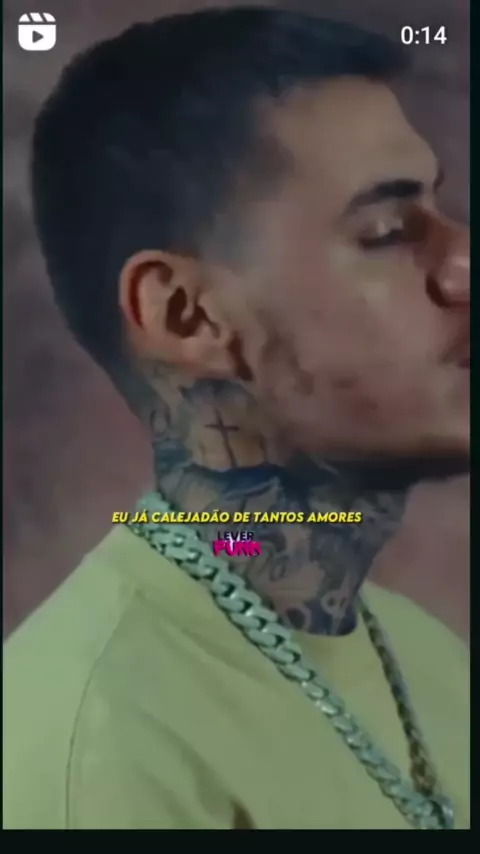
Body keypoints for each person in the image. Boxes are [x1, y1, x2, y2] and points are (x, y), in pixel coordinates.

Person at [3, 6, 469, 830]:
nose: (462, 264)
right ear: (187, 316)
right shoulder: (105, 742)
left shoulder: (426, 657)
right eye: (389, 230)